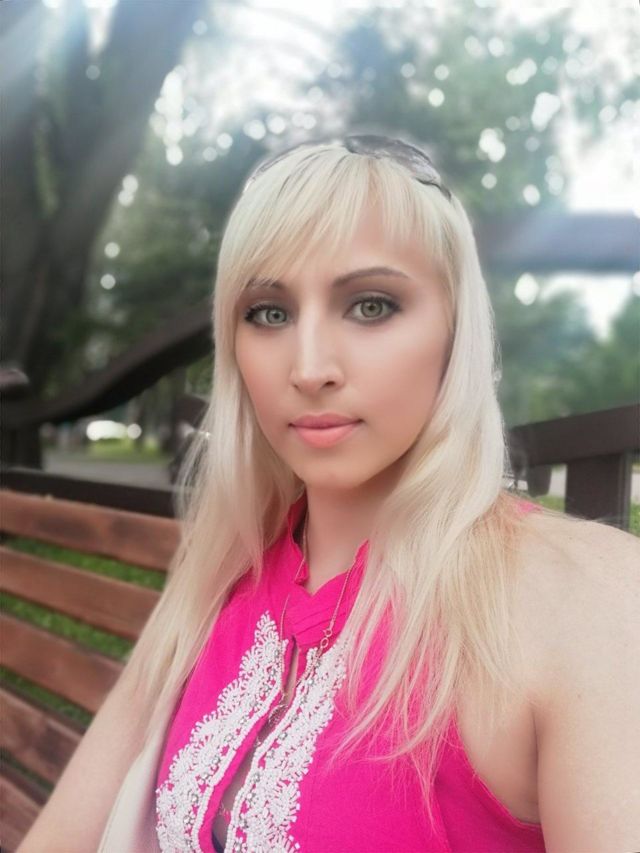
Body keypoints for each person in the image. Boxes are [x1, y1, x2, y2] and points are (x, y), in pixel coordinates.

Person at [18, 134, 639, 853]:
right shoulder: (219, 576)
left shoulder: (584, 603)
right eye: (269, 313)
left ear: (455, 328)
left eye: (371, 305)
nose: (309, 368)